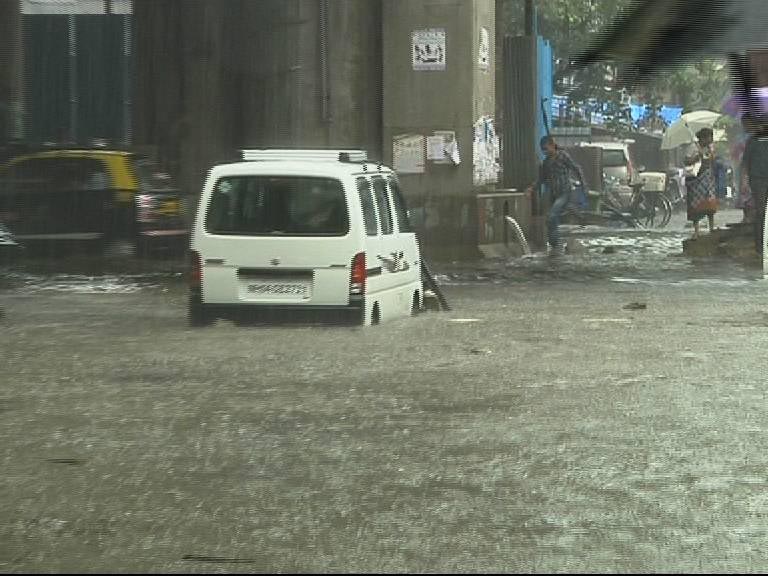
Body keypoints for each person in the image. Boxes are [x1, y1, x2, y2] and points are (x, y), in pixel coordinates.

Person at [526, 135, 585, 255]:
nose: (545, 151)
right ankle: (554, 244)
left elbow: (576, 168)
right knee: (550, 218)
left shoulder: (563, 156)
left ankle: (555, 244)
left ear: (553, 145)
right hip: (553, 193)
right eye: (543, 149)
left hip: (564, 192)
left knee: (552, 215)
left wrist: (584, 186)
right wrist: (531, 189)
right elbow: (541, 179)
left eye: (546, 148)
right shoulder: (546, 162)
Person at [683, 127, 719, 238]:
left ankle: (711, 228)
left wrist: (712, 156)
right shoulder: (693, 147)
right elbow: (686, 161)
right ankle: (696, 230)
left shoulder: (709, 148)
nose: (711, 139)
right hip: (696, 181)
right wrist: (697, 156)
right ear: (703, 138)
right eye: (709, 137)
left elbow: (712, 162)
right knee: (696, 205)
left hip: (708, 180)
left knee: (710, 204)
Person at [741, 115, 768, 254]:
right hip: (758, 180)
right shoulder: (752, 141)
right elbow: (745, 163)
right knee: (761, 211)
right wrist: (744, 182)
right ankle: (760, 245)